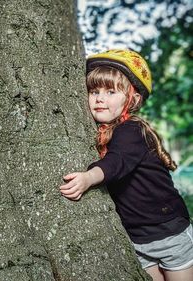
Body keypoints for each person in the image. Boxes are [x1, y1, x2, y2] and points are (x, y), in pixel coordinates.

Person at [59, 49, 193, 281]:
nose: (100, 98)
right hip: (137, 239)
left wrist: (89, 178)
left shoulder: (131, 130)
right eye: (94, 91)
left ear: (133, 99)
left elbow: (117, 162)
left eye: (111, 91)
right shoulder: (103, 132)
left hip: (170, 233)